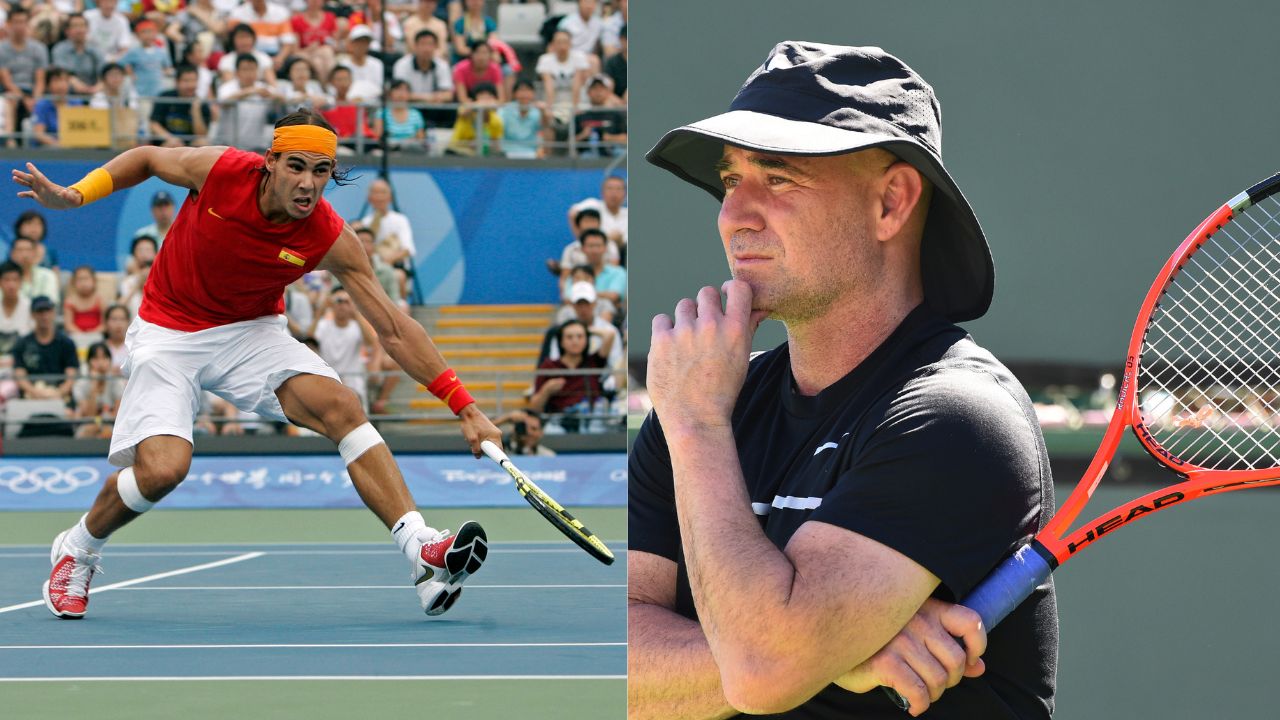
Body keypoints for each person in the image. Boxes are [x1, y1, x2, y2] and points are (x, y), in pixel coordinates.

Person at [630, 43, 1056, 718]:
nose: (733, 213)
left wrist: (696, 425)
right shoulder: (701, 408)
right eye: (729, 177)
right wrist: (836, 653)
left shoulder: (957, 417)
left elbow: (763, 669)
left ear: (891, 202)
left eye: (777, 179)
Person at [13, 108, 503, 621]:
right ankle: (79, 547)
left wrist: (465, 407)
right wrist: (75, 194)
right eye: (295, 166)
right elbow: (148, 158)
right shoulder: (221, 172)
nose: (308, 184)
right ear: (269, 161)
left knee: (341, 406)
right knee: (162, 471)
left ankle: (420, 549)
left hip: (250, 331)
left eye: (321, 172)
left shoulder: (328, 235)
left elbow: (393, 328)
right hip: (169, 329)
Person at [528, 318, 612, 429]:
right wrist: (546, 390)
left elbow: (610, 335)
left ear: (586, 340)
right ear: (561, 341)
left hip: (591, 421)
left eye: (580, 336)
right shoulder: (548, 366)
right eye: (569, 337)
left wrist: (587, 330)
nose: (575, 341)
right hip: (559, 424)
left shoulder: (593, 361)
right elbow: (534, 408)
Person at [309, 286, 375, 409]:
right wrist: (321, 310)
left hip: (354, 385)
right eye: (339, 301)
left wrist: (355, 312)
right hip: (328, 383)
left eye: (347, 302)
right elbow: (309, 341)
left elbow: (371, 342)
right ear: (332, 304)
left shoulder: (357, 326)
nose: (342, 305)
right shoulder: (323, 325)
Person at [12, 295, 78, 402]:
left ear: (53, 313)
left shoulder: (66, 343)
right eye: (40, 311)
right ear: (33, 315)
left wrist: (57, 393)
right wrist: (36, 393)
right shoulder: (22, 344)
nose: (44, 316)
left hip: (61, 396)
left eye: (48, 310)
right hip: (31, 397)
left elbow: (71, 377)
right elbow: (20, 376)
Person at [0, 8, 50, 138]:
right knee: (11, 100)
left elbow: (40, 80)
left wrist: (35, 98)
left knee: (43, 103)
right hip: (10, 91)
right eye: (16, 22)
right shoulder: (1, 49)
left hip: (32, 91)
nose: (20, 26)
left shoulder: (39, 48)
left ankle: (39, 140)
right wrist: (24, 98)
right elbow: (6, 81)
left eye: (23, 22)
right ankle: (10, 140)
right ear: (8, 24)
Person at [214, 53, 280, 149]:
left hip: (257, 147)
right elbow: (223, 103)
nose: (249, 73)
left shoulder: (263, 88)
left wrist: (273, 96)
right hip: (228, 146)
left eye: (252, 69)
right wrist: (250, 91)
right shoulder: (227, 87)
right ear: (237, 72)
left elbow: (282, 99)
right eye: (245, 69)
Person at [150, 64, 213, 147]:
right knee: (173, 145)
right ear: (177, 82)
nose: (191, 85)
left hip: (189, 146)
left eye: (194, 80)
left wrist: (196, 111)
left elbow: (201, 135)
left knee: (203, 143)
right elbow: (154, 124)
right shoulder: (165, 97)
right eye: (186, 81)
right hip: (167, 144)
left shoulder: (202, 104)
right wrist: (170, 139)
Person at [74, 341, 125, 438]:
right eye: (96, 358)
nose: (100, 363)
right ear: (88, 362)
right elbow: (88, 416)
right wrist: (94, 386)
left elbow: (117, 416)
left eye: (104, 358)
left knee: (107, 433)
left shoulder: (117, 382)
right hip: (86, 426)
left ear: (110, 361)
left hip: (111, 425)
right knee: (86, 432)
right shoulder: (80, 385)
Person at [51, 13, 105, 95]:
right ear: (67, 31)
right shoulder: (59, 49)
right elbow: (62, 73)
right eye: (75, 26)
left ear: (88, 29)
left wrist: (97, 88)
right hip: (68, 94)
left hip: (93, 93)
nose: (79, 30)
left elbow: (103, 74)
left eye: (82, 26)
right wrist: (77, 85)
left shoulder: (95, 49)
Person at [31, 67, 85, 148]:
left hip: (74, 149)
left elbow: (83, 130)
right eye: (56, 80)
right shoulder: (42, 105)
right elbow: (39, 134)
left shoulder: (77, 103)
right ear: (48, 85)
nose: (61, 85)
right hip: (49, 150)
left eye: (65, 80)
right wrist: (59, 144)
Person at [446, 81, 501, 157]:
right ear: (475, 97)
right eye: (481, 95)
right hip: (457, 151)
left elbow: (496, 144)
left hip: (482, 155)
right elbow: (463, 113)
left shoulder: (496, 120)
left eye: (489, 95)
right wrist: (477, 105)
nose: (485, 98)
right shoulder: (466, 109)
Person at [498, 79, 544, 159]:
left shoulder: (538, 111)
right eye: (521, 90)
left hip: (532, 153)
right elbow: (498, 132)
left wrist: (544, 112)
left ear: (533, 94)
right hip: (507, 153)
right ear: (514, 94)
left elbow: (541, 132)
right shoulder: (504, 110)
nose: (524, 94)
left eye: (528, 90)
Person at [10, 236, 60, 305]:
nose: (24, 255)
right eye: (20, 250)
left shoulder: (48, 275)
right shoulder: (3, 277)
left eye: (28, 250)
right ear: (12, 254)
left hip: (40, 314)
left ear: (35, 253)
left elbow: (50, 303)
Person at [451, 39, 504, 104]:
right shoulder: (460, 69)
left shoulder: (495, 69)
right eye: (477, 52)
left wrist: (489, 103)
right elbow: (462, 99)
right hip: (468, 106)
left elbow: (501, 99)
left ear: (490, 55)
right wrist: (477, 105)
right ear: (471, 54)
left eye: (485, 53)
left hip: (490, 104)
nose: (481, 57)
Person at [0, 260, 33, 356]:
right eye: (6, 280)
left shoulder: (30, 307)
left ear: (22, 282)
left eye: (15, 280)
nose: (11, 285)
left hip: (23, 362)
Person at [63, 265, 104, 339]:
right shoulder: (70, 301)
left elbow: (104, 324)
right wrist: (81, 335)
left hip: (97, 336)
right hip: (76, 336)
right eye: (79, 279)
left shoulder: (100, 300)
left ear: (94, 281)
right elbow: (68, 325)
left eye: (86, 279)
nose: (83, 283)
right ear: (73, 283)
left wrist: (92, 333)